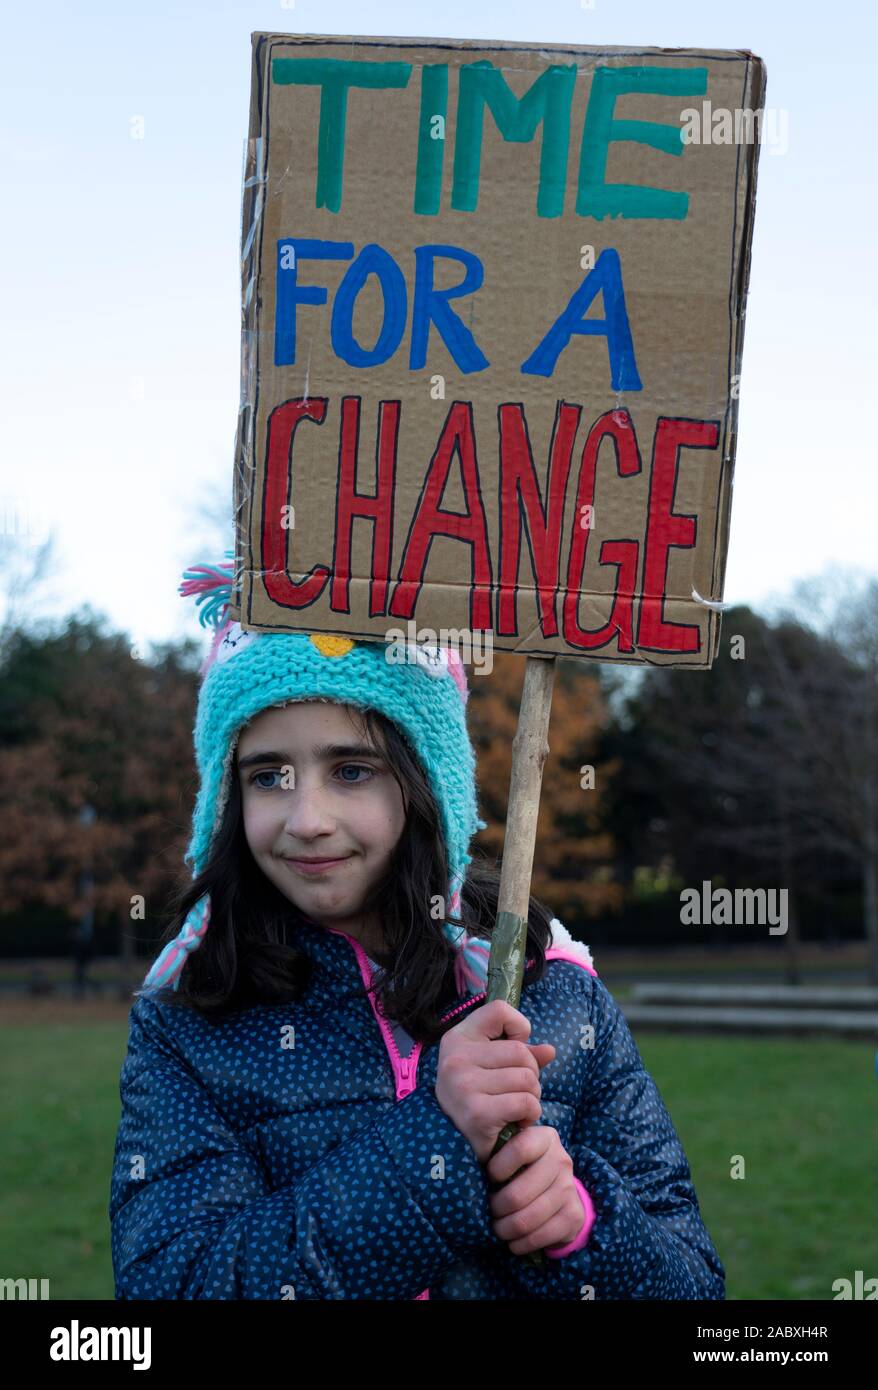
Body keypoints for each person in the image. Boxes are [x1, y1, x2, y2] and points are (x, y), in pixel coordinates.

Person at [108, 556, 726, 1301]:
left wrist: (582, 1227)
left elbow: (696, 1296)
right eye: (268, 775)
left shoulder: (556, 992)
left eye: (352, 770)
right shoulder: (189, 1020)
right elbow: (171, 1290)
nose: (307, 820)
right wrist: (436, 1137)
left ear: (426, 781)